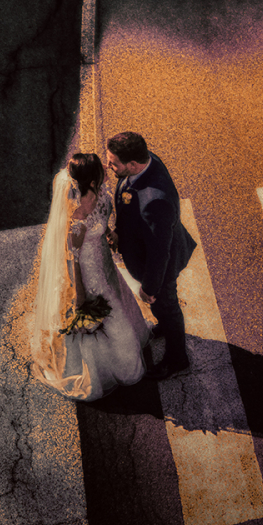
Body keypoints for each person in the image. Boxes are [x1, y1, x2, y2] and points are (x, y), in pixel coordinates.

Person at [29, 152, 150, 400]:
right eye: (100, 170)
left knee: (119, 300)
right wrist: (79, 293)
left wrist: (110, 236)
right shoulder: (77, 220)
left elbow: (104, 221)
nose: (107, 169)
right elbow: (71, 258)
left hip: (104, 263)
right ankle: (117, 368)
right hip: (89, 273)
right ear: (92, 181)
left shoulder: (102, 195)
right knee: (111, 317)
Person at [106, 132, 196, 379]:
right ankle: (165, 327)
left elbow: (159, 253)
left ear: (132, 165)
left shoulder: (155, 201)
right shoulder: (147, 161)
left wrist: (149, 287)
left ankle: (178, 359)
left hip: (160, 269)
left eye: (113, 163)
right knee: (162, 310)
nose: (109, 166)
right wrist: (119, 233)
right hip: (146, 252)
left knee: (167, 305)